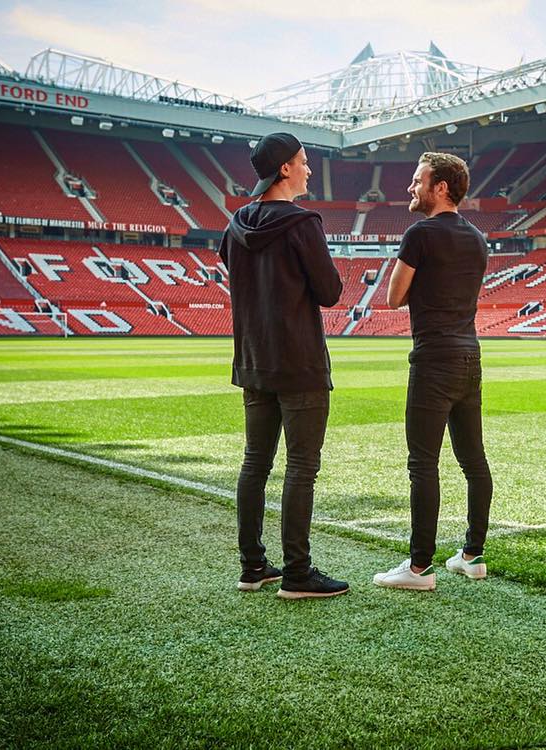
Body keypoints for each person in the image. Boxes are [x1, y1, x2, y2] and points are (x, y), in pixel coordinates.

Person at [219, 132, 349, 599]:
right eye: (304, 161)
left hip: (254, 359)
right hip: (299, 361)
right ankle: (297, 573)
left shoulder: (236, 224)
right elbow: (330, 292)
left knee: (255, 463)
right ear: (286, 170)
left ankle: (253, 566)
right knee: (301, 467)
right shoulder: (302, 223)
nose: (310, 169)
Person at [373, 152, 493, 591]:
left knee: (423, 464)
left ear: (440, 186)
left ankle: (419, 567)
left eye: (417, 179)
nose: (411, 187)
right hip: (470, 357)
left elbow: (394, 297)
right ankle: (472, 556)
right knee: (473, 460)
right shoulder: (478, 238)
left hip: (433, 359)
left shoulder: (419, 233)